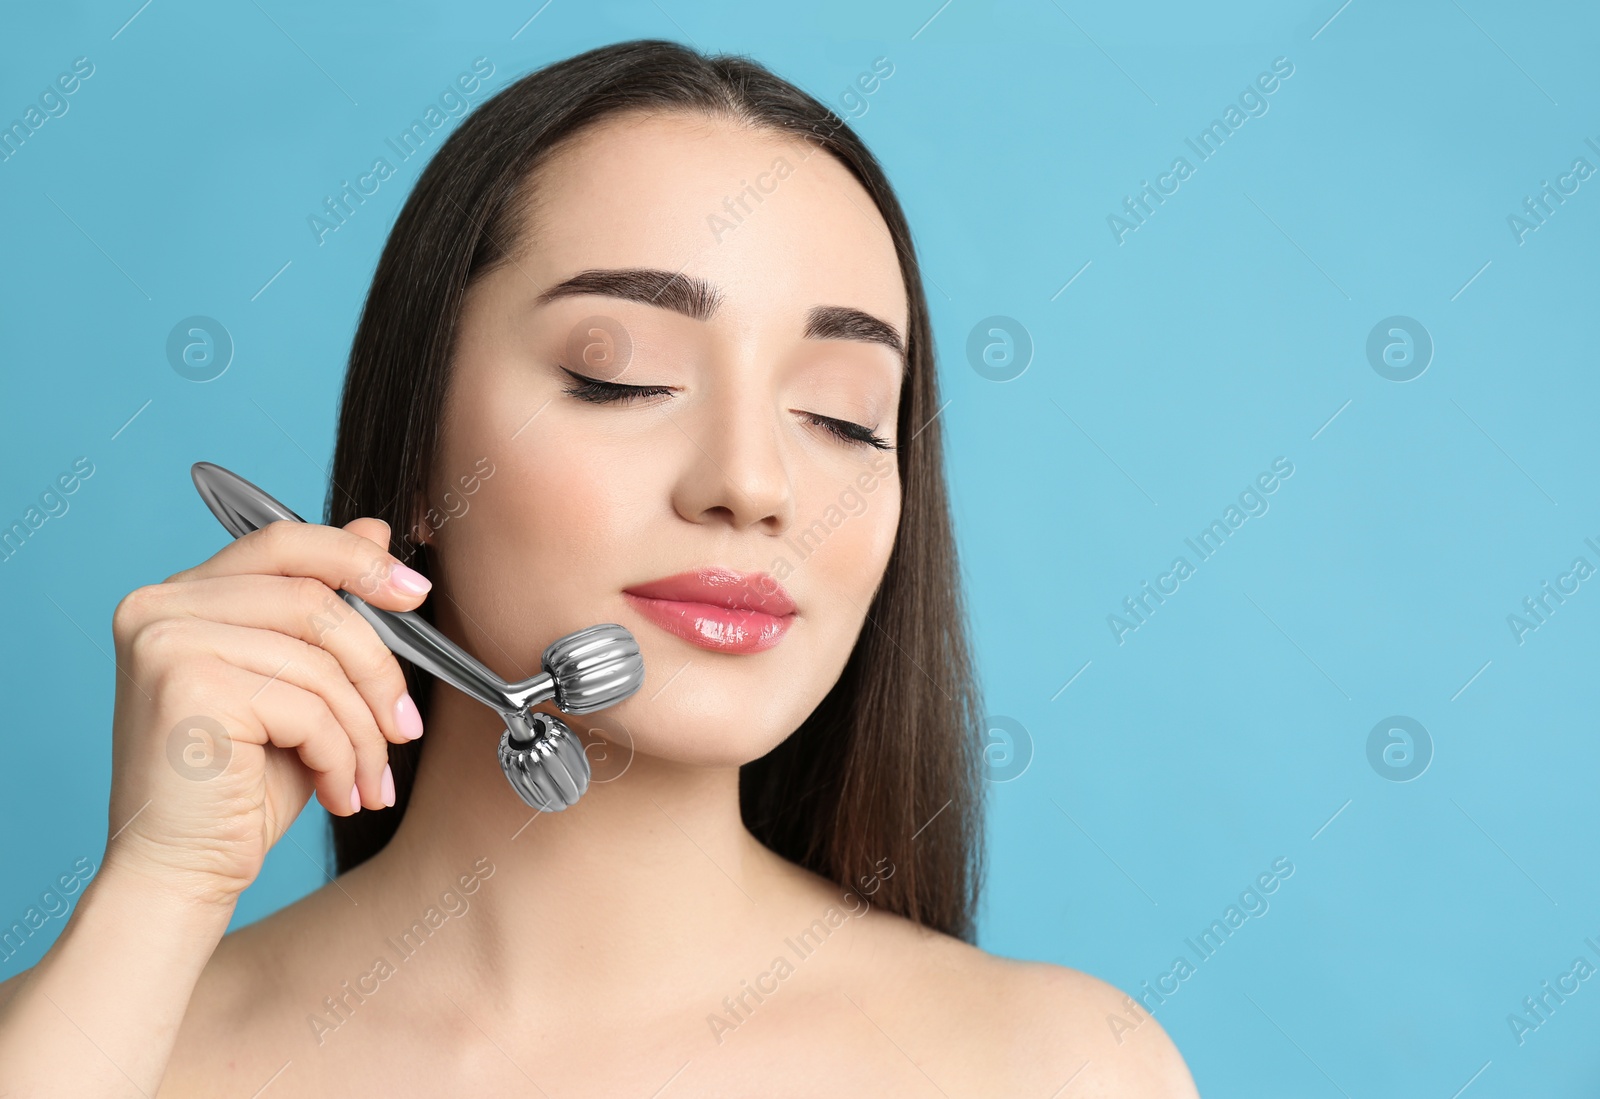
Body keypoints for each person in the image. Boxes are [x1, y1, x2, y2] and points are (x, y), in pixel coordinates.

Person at [0, 39, 1198, 1095]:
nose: (753, 481)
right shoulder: (99, 1046)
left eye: (841, 414)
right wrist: (158, 891)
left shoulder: (1057, 1069)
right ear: (417, 447)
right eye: (619, 377)